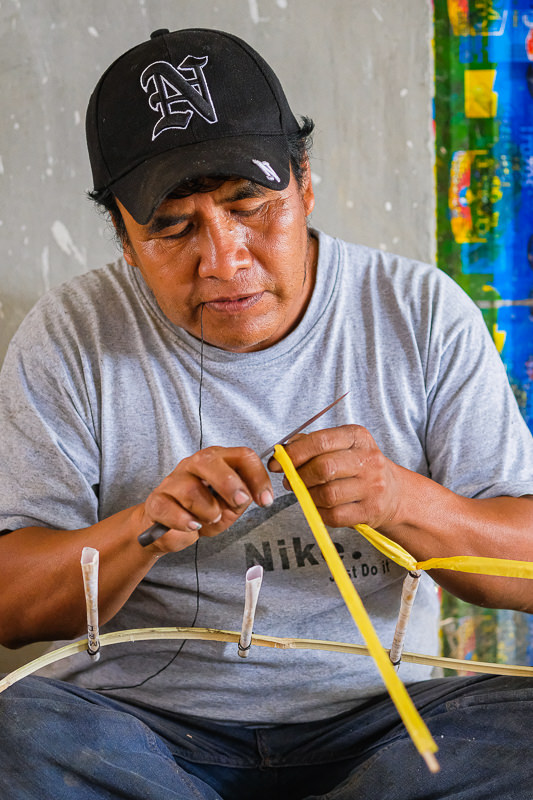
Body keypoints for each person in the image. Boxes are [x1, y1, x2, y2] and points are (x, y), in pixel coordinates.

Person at [1, 26, 533, 800]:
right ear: (122, 234)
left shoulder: (417, 312)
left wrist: (400, 501)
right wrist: (142, 529)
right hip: (147, 737)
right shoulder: (72, 334)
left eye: (250, 205)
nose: (223, 258)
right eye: (172, 228)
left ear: (305, 183)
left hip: (382, 724)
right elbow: (12, 605)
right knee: (17, 731)